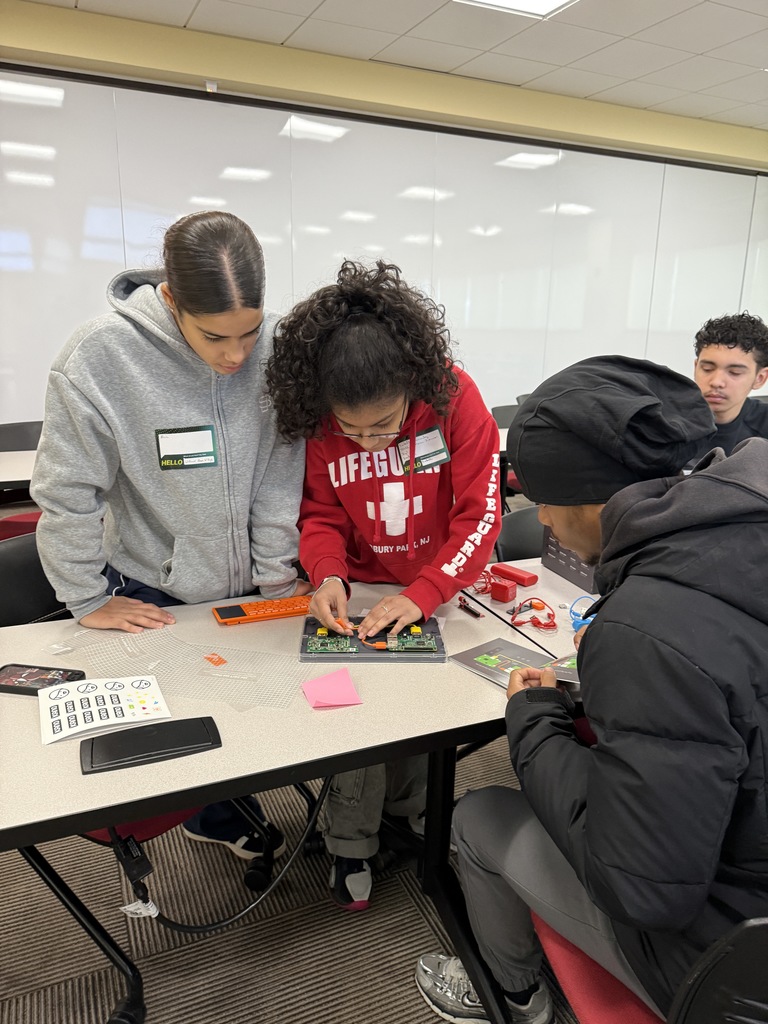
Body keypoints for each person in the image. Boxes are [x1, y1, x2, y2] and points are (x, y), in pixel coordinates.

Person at [415, 355, 768, 1024]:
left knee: (480, 816)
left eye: (545, 500)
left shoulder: (650, 630)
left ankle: (513, 996)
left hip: (725, 970)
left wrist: (535, 721)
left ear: (594, 501)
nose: (543, 521)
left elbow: (642, 889)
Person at [31, 210, 311, 861]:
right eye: (215, 336)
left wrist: (276, 579)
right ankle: (211, 815)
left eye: (249, 331)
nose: (236, 355)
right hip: (154, 584)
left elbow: (279, 473)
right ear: (170, 301)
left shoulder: (272, 349)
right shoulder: (100, 359)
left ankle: (241, 800)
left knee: (264, 713)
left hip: (247, 582)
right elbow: (67, 495)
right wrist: (87, 598)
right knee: (192, 730)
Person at [266, 259, 502, 910]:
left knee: (427, 719)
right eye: (354, 431)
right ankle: (350, 844)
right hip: (361, 592)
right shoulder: (317, 419)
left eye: (386, 426)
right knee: (354, 722)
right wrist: (328, 574)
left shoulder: (456, 398)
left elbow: (480, 515)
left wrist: (424, 593)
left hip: (437, 589)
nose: (369, 445)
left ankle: (419, 818)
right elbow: (318, 515)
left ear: (411, 385)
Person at [693, 311, 768, 455]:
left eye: (734, 372)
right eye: (707, 369)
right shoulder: (663, 421)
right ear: (696, 367)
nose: (716, 382)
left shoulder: (764, 425)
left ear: (760, 378)